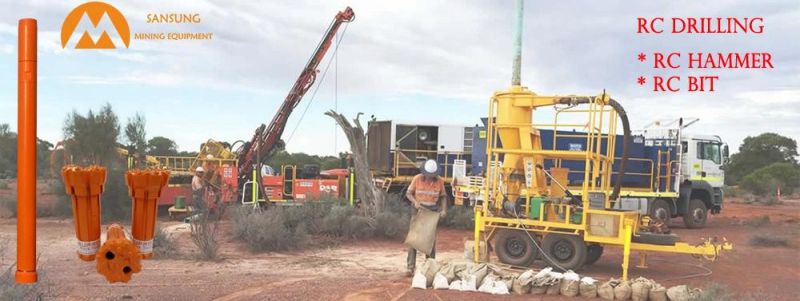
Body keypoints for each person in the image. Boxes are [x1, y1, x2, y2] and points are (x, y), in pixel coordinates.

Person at [406, 159, 447, 276]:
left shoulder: (440, 181)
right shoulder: (417, 179)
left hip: (432, 211)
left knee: (430, 240)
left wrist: (444, 210)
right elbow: (408, 193)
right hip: (418, 210)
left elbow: (443, 197)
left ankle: (430, 267)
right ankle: (410, 267)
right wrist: (415, 202)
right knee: (414, 240)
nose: (430, 177)